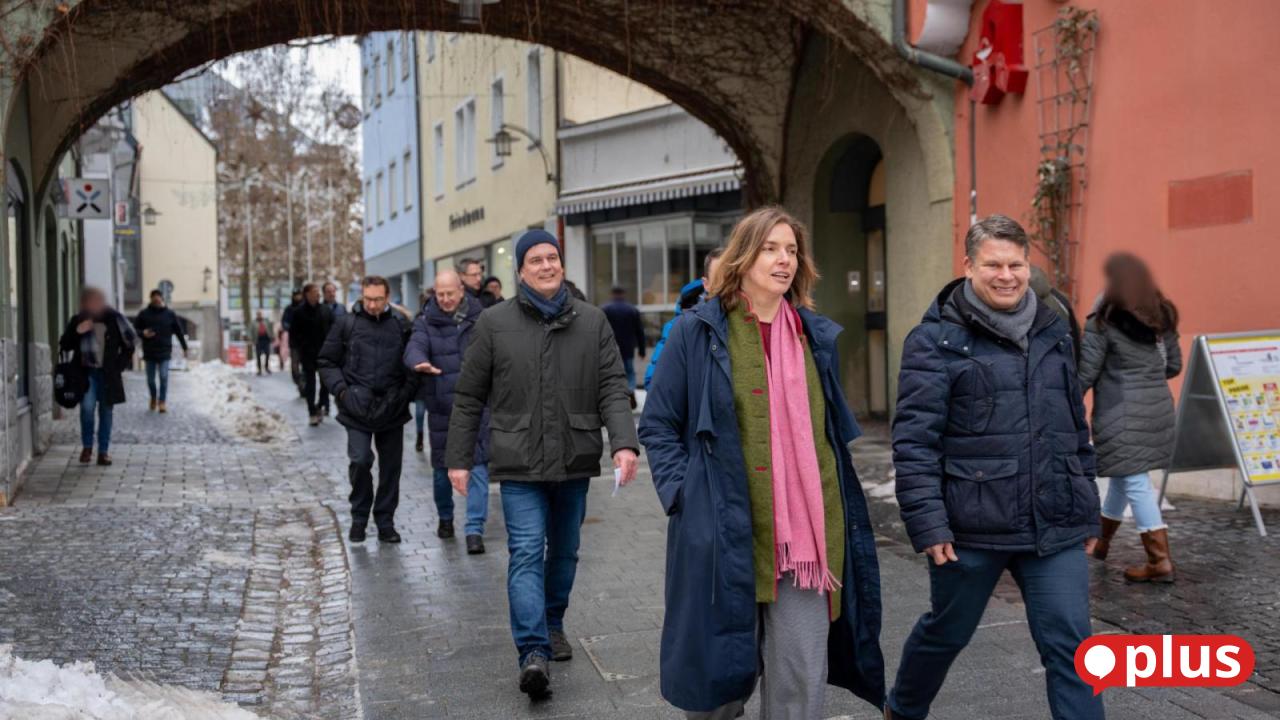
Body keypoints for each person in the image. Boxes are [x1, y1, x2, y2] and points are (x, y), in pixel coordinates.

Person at [638, 207, 884, 719]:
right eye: (771, 248)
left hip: (806, 538)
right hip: (724, 529)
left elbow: (825, 435)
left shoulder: (813, 337)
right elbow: (658, 424)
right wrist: (683, 495)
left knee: (800, 676)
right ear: (743, 257)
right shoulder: (697, 332)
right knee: (719, 685)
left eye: (792, 250)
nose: (784, 260)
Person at [886, 215, 1102, 720]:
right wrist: (928, 522)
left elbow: (1074, 426)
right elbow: (915, 441)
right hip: (970, 527)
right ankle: (904, 707)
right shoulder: (934, 339)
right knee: (947, 632)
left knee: (1073, 650)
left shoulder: (1054, 330)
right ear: (968, 266)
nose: (1006, 275)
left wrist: (1086, 503)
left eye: (1016, 264)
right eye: (993, 265)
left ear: (1029, 266)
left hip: (1054, 521)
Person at [446, 229, 639, 698]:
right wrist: (458, 459)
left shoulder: (592, 322)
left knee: (566, 551)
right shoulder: (493, 323)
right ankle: (533, 652)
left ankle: (553, 622)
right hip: (518, 463)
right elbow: (470, 396)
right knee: (527, 552)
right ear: (521, 270)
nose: (547, 265)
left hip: (574, 456)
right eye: (536, 260)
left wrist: (623, 443)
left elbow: (613, 385)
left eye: (553, 257)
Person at [1079, 252, 1181, 583]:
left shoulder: (1103, 317)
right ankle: (1102, 543)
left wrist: (1064, 400)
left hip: (1119, 413)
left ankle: (1159, 560)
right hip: (1158, 409)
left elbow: (1086, 371)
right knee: (1124, 476)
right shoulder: (1161, 314)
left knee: (1136, 481)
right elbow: (1173, 366)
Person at [319, 276, 417, 544]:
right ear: (362, 296)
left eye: (378, 299)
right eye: (367, 299)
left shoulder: (401, 325)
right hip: (355, 406)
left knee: (391, 469)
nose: (372, 305)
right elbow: (327, 361)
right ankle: (359, 517)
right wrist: (341, 391)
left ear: (388, 298)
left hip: (392, 406)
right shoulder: (346, 324)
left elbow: (413, 363)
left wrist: (405, 394)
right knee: (360, 460)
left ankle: (385, 521)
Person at [404, 269, 492, 554]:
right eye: (439, 294)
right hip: (442, 408)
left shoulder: (481, 318)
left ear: (461, 290)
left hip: (477, 406)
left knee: (478, 468)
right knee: (443, 472)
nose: (444, 299)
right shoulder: (425, 321)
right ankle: (445, 518)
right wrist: (418, 361)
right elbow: (414, 347)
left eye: (449, 293)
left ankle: (474, 530)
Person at [60, 287, 136, 466]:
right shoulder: (79, 319)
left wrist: (119, 365)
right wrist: (77, 331)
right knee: (87, 409)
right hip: (85, 373)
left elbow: (130, 343)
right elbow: (64, 344)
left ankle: (103, 451)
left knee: (106, 411)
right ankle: (87, 447)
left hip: (108, 374)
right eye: (89, 301)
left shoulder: (115, 318)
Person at [644, 247, 723, 392]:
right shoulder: (681, 326)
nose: (728, 285)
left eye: (734, 277)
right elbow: (655, 384)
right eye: (719, 278)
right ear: (706, 284)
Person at [133, 289, 188, 413]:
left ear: (162, 299)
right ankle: (153, 397)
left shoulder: (170, 314)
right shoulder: (144, 314)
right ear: (151, 299)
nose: (157, 299)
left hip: (165, 352)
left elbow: (179, 331)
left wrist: (184, 347)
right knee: (150, 380)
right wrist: (143, 333)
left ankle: (162, 401)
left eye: (158, 297)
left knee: (164, 377)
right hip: (149, 353)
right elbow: (134, 330)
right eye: (154, 297)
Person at [291, 283, 334, 426]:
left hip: (324, 353)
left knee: (326, 383)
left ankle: (320, 405)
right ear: (307, 294)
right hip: (307, 353)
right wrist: (297, 351)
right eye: (315, 292)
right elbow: (294, 334)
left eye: (318, 292)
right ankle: (311, 412)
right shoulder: (298, 312)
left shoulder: (325, 310)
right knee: (310, 383)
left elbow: (334, 329)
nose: (318, 294)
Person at [601, 286, 646, 394]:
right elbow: (640, 331)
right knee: (629, 371)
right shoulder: (632, 309)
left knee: (612, 372)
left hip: (610, 348)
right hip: (628, 348)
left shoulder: (605, 309)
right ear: (623, 294)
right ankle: (630, 393)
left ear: (612, 294)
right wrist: (642, 350)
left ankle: (614, 394)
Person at [282, 290, 305, 396]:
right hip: (294, 342)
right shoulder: (289, 309)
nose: (298, 297)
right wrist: (290, 327)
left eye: (299, 295)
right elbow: (284, 322)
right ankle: (299, 382)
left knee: (306, 367)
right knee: (294, 367)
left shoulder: (307, 307)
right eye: (296, 295)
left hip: (306, 342)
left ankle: (305, 386)